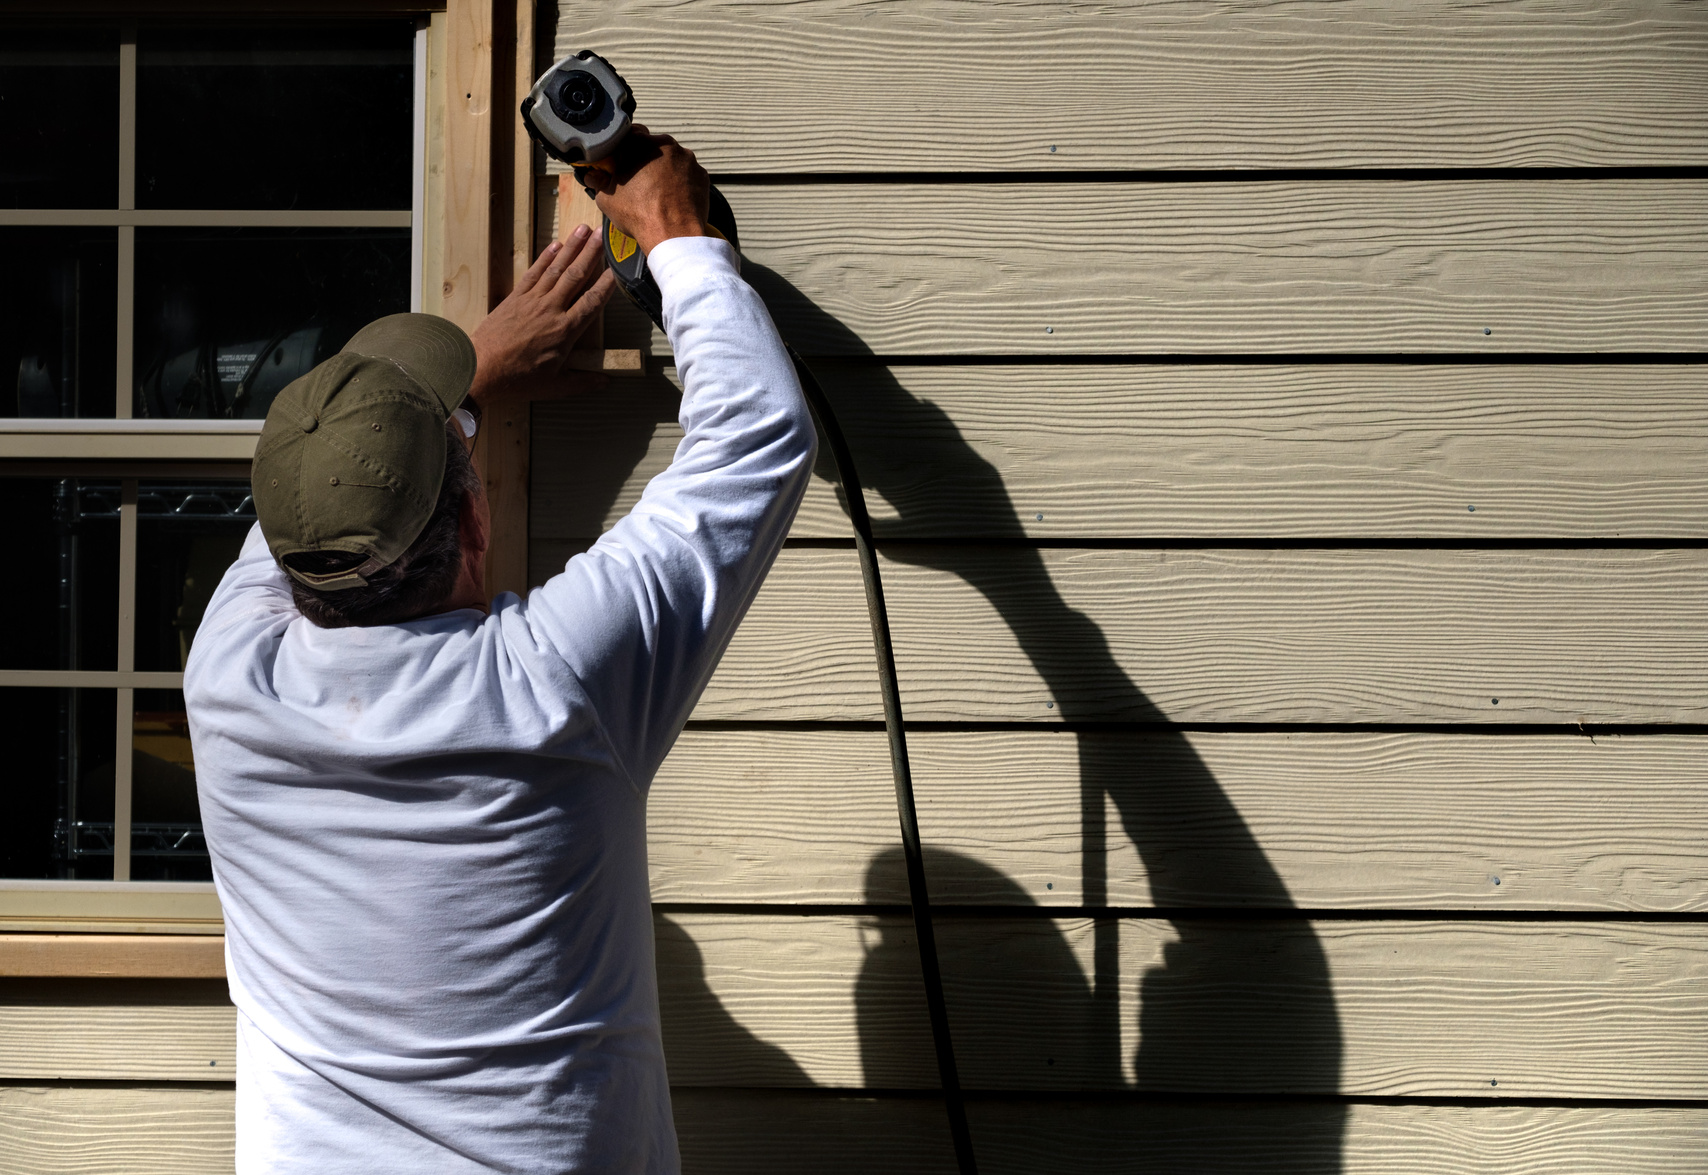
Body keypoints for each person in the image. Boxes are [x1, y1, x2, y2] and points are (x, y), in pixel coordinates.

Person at [183, 130, 816, 1173]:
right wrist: (679, 237)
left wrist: (470, 376)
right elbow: (755, 435)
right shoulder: (552, 683)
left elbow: (323, 505)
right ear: (476, 526)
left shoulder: (226, 670)